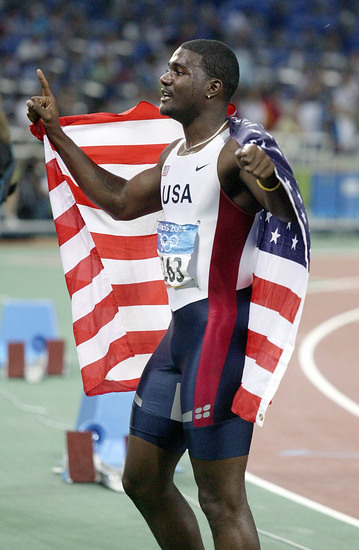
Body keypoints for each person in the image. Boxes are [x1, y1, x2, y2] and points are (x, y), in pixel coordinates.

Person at [27, 39, 300, 550]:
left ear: (213, 87)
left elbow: (279, 210)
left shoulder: (235, 152)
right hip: (180, 341)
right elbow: (119, 200)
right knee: (143, 480)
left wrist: (271, 184)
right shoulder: (177, 156)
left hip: (220, 337)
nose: (165, 79)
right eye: (167, 70)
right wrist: (56, 133)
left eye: (178, 71)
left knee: (221, 500)